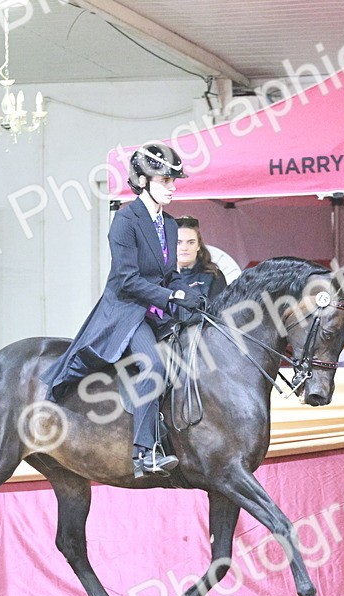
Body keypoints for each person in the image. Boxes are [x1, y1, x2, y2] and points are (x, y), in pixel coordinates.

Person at [41, 143, 205, 478]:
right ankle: (144, 452)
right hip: (128, 311)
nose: (173, 187)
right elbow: (128, 280)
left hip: (156, 310)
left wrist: (191, 294)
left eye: (174, 181)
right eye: (166, 180)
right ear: (143, 180)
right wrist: (172, 297)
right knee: (155, 366)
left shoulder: (170, 224)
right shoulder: (125, 221)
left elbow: (169, 273)